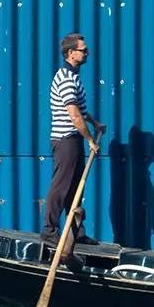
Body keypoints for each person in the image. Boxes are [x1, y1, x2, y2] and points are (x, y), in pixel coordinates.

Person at [42, 32, 106, 257]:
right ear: (71, 53)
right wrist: (90, 140)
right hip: (65, 139)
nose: (87, 53)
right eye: (83, 50)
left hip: (73, 138)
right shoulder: (66, 78)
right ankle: (49, 230)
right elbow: (74, 115)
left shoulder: (73, 77)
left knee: (76, 188)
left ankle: (76, 232)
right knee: (61, 186)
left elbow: (80, 109)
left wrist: (95, 123)